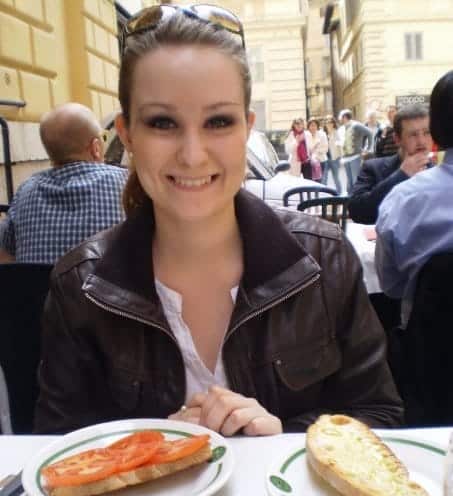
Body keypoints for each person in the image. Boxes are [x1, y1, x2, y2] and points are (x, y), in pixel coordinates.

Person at [34, 5, 402, 435]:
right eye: (163, 122)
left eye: (218, 121)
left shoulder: (326, 259)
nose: (192, 154)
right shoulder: (79, 285)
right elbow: (57, 447)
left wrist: (283, 436)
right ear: (128, 133)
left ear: (247, 129)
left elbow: (379, 416)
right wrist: (151, 446)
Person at [0, 103, 127, 264]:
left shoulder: (25, 190)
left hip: (39, 289)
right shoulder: (125, 183)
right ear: (95, 148)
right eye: (103, 137)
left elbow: (5, 257)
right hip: (105, 289)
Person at [376, 71, 453, 327]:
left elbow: (392, 286)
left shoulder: (404, 202)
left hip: (431, 352)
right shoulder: (399, 191)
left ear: (436, 130)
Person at [348, 104, 432, 224]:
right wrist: (401, 175)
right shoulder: (373, 168)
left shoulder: (440, 173)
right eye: (413, 135)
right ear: (397, 139)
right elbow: (357, 212)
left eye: (427, 133)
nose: (421, 141)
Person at [338, 109, 372, 194]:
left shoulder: (356, 125)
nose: (339, 118)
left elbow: (369, 133)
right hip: (346, 158)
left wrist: (367, 148)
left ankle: (357, 198)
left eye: (340, 116)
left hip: (355, 157)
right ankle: (349, 200)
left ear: (345, 117)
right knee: (349, 181)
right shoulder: (343, 127)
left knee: (355, 179)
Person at [322, 115, 342, 192]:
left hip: (335, 158)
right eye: (327, 122)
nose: (329, 124)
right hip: (325, 159)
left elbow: (340, 146)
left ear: (333, 123)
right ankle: (323, 194)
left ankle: (339, 194)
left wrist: (341, 158)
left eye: (331, 122)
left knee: (336, 178)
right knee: (324, 178)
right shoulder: (322, 133)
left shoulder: (337, 132)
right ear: (325, 124)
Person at [306, 118, 328, 183]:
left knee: (321, 181)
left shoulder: (322, 134)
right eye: (311, 125)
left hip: (321, 160)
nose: (313, 127)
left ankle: (322, 193)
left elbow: (325, 148)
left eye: (314, 125)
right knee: (311, 181)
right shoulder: (306, 135)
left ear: (317, 126)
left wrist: (316, 153)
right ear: (308, 126)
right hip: (309, 162)